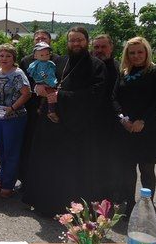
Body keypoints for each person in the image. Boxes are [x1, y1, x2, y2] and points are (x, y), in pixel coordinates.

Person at [22, 27, 106, 217]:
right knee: (50, 165)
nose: (76, 44)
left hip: (78, 126)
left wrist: (62, 96)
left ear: (87, 41)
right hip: (52, 123)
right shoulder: (59, 62)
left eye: (80, 40)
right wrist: (39, 88)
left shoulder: (96, 65)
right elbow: (46, 82)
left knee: (73, 169)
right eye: (72, 40)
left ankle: (73, 210)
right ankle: (47, 205)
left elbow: (95, 94)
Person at [113, 37, 156, 222]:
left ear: (146, 52)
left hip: (148, 129)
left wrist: (142, 121)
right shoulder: (123, 73)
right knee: (127, 169)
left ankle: (148, 206)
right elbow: (114, 98)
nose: (136, 56)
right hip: (127, 129)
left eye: (140, 52)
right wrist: (123, 119)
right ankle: (129, 204)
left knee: (147, 169)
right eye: (132, 53)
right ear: (127, 54)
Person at [0, 44, 31, 197]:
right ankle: (2, 180)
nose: (4, 58)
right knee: (1, 150)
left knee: (11, 151)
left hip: (14, 118)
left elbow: (26, 93)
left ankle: (8, 184)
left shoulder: (17, 73)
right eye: (1, 55)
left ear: (14, 58)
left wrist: (12, 108)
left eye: (8, 56)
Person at [19, 29, 56, 190]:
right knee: (29, 144)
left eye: (44, 38)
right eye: (37, 38)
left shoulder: (57, 60)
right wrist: (36, 88)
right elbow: (23, 81)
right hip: (31, 107)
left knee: (49, 146)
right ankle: (26, 180)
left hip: (52, 107)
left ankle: (48, 181)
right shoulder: (26, 61)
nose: (41, 40)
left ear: (50, 41)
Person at [90, 34, 121, 202]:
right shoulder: (88, 66)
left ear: (111, 47)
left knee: (111, 161)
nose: (99, 50)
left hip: (113, 123)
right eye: (96, 47)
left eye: (103, 47)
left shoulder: (119, 68)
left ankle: (110, 196)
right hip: (91, 122)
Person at [26, 42, 58, 123]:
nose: (45, 56)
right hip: (43, 83)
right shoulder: (39, 65)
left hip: (47, 82)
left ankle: (42, 108)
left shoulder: (49, 63)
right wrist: (51, 82)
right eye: (42, 55)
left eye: (47, 54)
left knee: (47, 96)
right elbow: (43, 74)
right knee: (51, 94)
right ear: (35, 56)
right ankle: (51, 111)